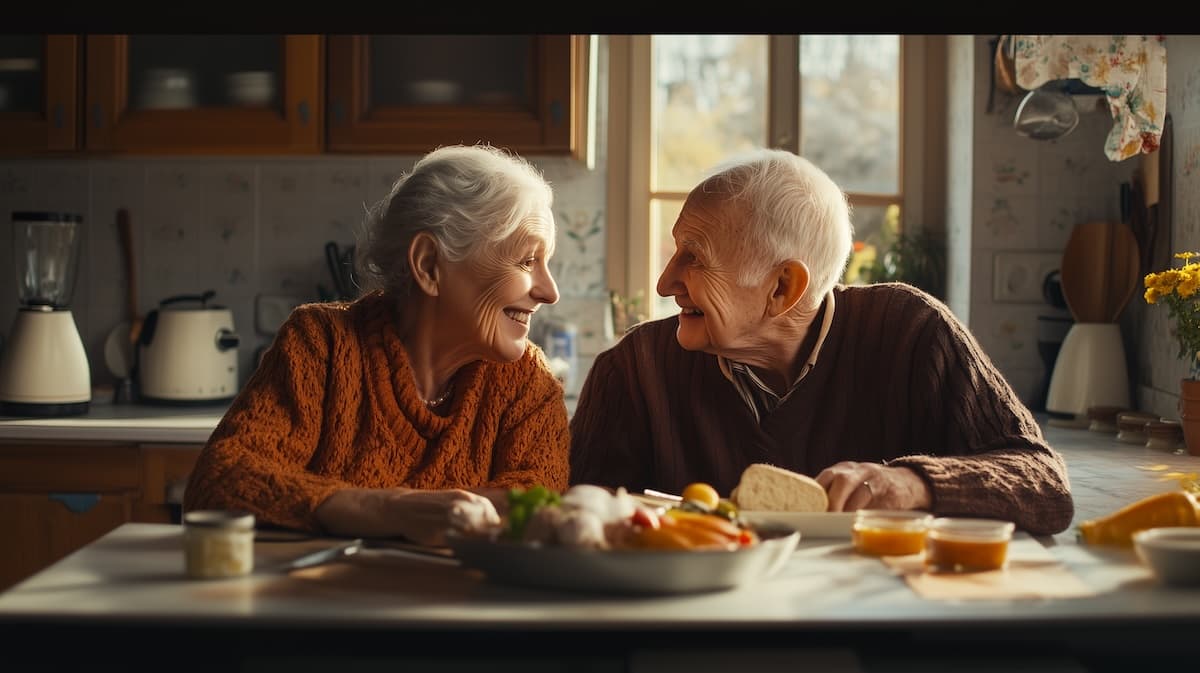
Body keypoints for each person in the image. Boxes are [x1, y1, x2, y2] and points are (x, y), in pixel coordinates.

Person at [569, 148, 1074, 535]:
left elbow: (1044, 483)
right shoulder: (633, 370)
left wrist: (912, 485)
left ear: (783, 287)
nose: (664, 283)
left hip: (880, 624)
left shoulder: (912, 333)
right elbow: (572, 525)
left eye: (694, 258)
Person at [184, 144, 570, 545]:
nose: (549, 292)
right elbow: (221, 483)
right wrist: (391, 511)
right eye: (527, 261)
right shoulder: (321, 346)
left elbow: (534, 509)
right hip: (321, 603)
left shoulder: (529, 385)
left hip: (458, 606)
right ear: (428, 265)